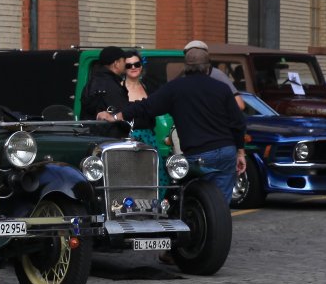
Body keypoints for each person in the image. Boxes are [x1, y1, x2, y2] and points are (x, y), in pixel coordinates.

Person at [101, 44, 245, 204]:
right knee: (221, 204)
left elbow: (146, 106)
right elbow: (238, 122)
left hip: (198, 154)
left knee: (197, 199)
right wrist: (240, 152)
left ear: (186, 66)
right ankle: (219, 218)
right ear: (207, 67)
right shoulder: (222, 88)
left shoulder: (175, 88)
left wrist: (116, 116)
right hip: (226, 150)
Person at [79, 46, 130, 120]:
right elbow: (120, 112)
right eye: (124, 61)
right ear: (116, 63)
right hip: (106, 127)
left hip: (90, 126)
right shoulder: (111, 85)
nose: (125, 64)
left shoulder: (93, 81)